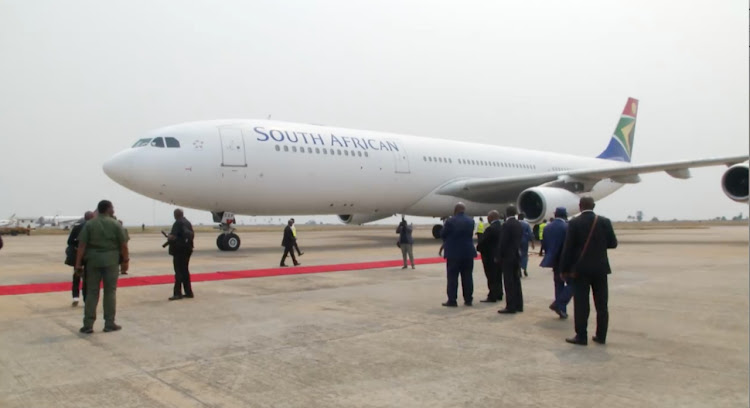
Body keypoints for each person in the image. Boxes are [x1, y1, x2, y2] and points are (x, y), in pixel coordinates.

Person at [560, 197, 618, 346]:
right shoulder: (604, 221)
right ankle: (601, 336)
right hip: (600, 269)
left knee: (581, 304)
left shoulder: (574, 223)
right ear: (594, 206)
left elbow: (568, 249)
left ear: (580, 207)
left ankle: (581, 336)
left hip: (581, 270)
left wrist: (564, 269)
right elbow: (613, 243)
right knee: (601, 304)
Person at [75, 200, 128, 334]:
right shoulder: (116, 224)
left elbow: (81, 246)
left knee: (92, 292)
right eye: (112, 208)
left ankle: (88, 324)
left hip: (92, 261)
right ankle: (109, 323)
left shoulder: (90, 224)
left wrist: (78, 264)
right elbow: (124, 245)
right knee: (110, 292)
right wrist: (125, 261)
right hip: (111, 261)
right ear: (108, 209)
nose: (114, 210)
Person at [440, 203, 476, 307]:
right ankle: (468, 299)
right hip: (468, 253)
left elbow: (443, 234)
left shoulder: (450, 221)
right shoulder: (471, 221)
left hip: (454, 253)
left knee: (452, 278)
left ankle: (452, 300)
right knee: (468, 277)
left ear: (455, 210)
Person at [540, 207, 571, 319]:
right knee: (573, 284)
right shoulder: (567, 227)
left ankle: (561, 310)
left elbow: (545, 244)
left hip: (554, 260)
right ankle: (559, 303)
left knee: (558, 284)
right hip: (566, 261)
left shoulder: (548, 227)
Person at [497, 206, 524, 314]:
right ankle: (519, 305)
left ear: (506, 213)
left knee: (508, 282)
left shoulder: (507, 225)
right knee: (516, 281)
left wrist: (498, 256)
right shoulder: (518, 224)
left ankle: (510, 306)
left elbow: (503, 242)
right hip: (516, 255)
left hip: (507, 257)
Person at [66, 211, 94, 306]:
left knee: (76, 276)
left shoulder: (77, 226)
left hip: (78, 255)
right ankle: (86, 299)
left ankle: (75, 297)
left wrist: (77, 247)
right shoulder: (93, 227)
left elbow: (69, 241)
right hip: (89, 256)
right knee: (88, 278)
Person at [168, 209, 194, 300]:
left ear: (175, 215)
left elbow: (173, 236)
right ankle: (188, 292)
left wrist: (169, 237)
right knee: (185, 271)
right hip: (188, 249)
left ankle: (177, 293)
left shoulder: (177, 223)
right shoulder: (187, 222)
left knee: (178, 272)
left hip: (179, 251)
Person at [476, 210, 503, 302]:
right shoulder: (502, 227)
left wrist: (479, 248)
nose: (487, 218)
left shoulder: (490, 229)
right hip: (499, 256)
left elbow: (483, 242)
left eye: (488, 217)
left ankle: (492, 295)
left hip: (489, 256)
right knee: (498, 276)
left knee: (491, 277)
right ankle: (499, 293)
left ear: (491, 218)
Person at [518, 213, 535, 277]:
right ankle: (524, 268)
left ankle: (519, 269)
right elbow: (530, 234)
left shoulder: (516, 223)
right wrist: (532, 242)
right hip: (525, 241)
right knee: (524, 255)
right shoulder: (526, 224)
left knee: (518, 255)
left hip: (517, 241)